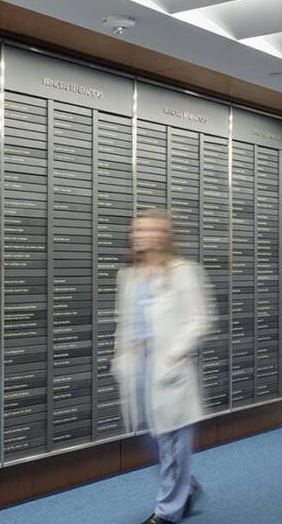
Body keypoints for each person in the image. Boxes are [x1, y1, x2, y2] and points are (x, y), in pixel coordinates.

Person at [113, 209, 211, 524]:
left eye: (151, 229)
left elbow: (199, 319)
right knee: (154, 441)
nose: (142, 234)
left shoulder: (183, 272)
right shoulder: (128, 276)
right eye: (138, 229)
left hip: (169, 367)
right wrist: (120, 357)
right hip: (139, 368)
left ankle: (167, 511)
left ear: (165, 236)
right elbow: (124, 323)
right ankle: (186, 486)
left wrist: (174, 354)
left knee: (172, 442)